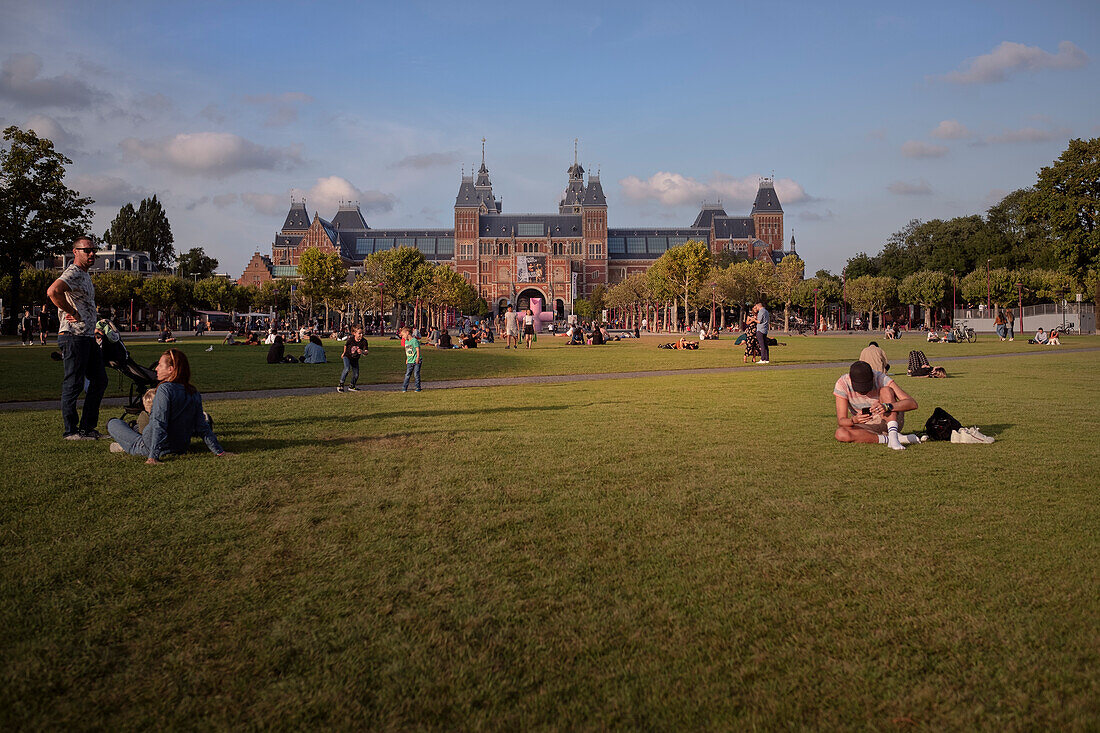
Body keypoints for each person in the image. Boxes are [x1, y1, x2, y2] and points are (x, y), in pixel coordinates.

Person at [107, 348, 231, 463]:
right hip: (180, 446)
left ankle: (125, 444)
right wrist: (219, 451)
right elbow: (201, 426)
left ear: (171, 369)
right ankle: (129, 439)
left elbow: (159, 423)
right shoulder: (193, 392)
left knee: (114, 423)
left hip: (149, 446)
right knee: (136, 428)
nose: (156, 368)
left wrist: (152, 456)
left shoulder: (165, 389)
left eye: (160, 365)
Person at [46, 236, 108, 440]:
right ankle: (71, 431)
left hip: (87, 336)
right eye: (86, 250)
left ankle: (87, 428)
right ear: (75, 252)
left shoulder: (84, 275)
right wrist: (71, 310)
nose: (92, 254)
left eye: (93, 250)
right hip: (73, 336)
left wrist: (93, 326)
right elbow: (53, 291)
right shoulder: (72, 272)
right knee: (73, 384)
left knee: (99, 380)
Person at [834, 360, 921, 450]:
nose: (863, 391)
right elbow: (841, 421)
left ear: (872, 377)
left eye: (867, 386)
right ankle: (890, 439)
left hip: (889, 420)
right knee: (840, 433)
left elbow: (912, 403)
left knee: (886, 390)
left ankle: (893, 435)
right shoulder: (843, 383)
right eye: (859, 388)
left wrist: (887, 406)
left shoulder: (880, 378)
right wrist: (854, 420)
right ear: (851, 380)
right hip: (866, 425)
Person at [338, 327, 367, 391]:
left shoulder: (364, 341)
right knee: (347, 368)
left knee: (356, 374)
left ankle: (352, 386)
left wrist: (362, 352)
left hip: (355, 359)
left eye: (362, 333)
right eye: (359, 333)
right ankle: (341, 385)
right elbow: (346, 345)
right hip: (347, 356)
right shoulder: (351, 339)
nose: (361, 335)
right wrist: (343, 353)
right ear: (354, 333)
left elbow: (366, 352)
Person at [400, 326, 422, 392]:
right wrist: (407, 358)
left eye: (403, 335)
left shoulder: (414, 341)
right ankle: (404, 387)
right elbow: (407, 351)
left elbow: (417, 349)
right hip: (410, 361)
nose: (402, 337)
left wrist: (417, 358)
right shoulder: (406, 342)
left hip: (416, 360)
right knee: (407, 374)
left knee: (416, 374)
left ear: (407, 333)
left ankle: (418, 387)